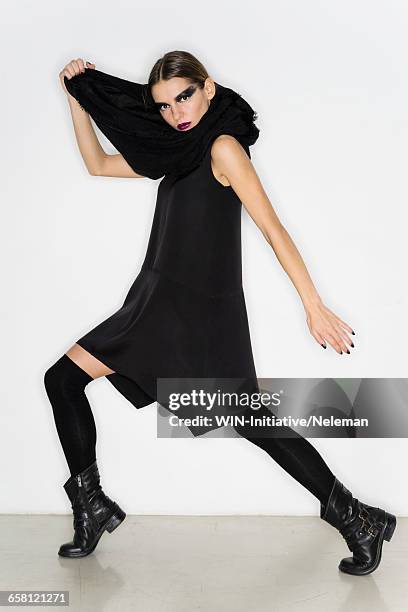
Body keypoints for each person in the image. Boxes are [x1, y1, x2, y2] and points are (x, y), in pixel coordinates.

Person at [44, 50, 396, 574]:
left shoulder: (224, 148)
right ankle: (92, 507)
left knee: (253, 421)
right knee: (63, 380)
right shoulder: (174, 153)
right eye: (163, 105)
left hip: (202, 312)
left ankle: (358, 521)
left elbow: (273, 229)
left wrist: (313, 304)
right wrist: (76, 99)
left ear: (207, 87)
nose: (176, 112)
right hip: (155, 303)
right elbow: (97, 164)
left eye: (184, 95)